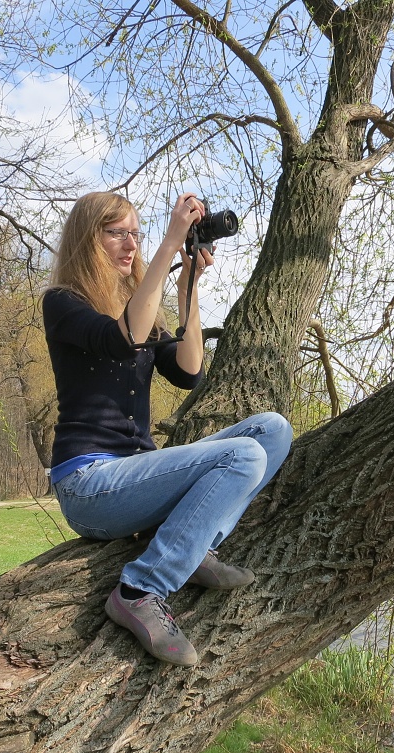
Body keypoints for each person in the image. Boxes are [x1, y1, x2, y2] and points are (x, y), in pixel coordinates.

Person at [42, 191, 292, 666]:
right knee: (243, 456)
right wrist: (168, 244)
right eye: (117, 232)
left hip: (133, 474)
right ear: (86, 239)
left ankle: (192, 546)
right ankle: (140, 590)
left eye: (135, 234)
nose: (129, 244)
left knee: (272, 431)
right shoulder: (63, 303)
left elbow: (189, 370)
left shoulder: (137, 307)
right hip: (89, 484)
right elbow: (123, 338)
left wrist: (188, 291)